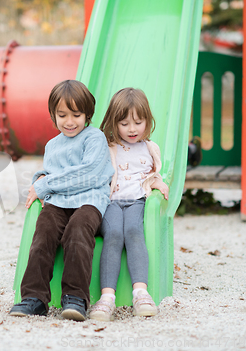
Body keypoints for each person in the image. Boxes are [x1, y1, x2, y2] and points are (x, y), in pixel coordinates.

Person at [9, 80, 114, 321]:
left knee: (77, 231)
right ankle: (34, 298)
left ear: (87, 114)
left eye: (76, 115)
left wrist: (44, 184)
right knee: (44, 230)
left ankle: (76, 297)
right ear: (53, 115)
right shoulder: (52, 145)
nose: (69, 121)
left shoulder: (94, 137)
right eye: (62, 115)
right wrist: (41, 178)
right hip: (59, 202)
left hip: (89, 201)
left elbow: (88, 174)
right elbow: (49, 172)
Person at [89, 88, 169, 321]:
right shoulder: (108, 146)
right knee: (113, 233)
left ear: (148, 121)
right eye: (124, 123)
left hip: (136, 201)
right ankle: (107, 297)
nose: (132, 129)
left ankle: (140, 292)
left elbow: (151, 173)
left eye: (138, 122)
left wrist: (157, 183)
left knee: (134, 231)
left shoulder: (149, 148)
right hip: (111, 202)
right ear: (114, 122)